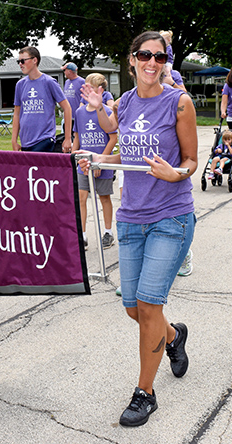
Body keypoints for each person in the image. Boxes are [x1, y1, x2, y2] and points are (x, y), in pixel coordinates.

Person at [80, 31, 197, 426]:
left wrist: (175, 172)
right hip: (131, 216)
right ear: (131, 59)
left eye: (159, 57)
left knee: (149, 305)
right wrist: (98, 158)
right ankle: (173, 337)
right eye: (144, 55)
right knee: (133, 309)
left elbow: (192, 161)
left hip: (171, 216)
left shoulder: (180, 102)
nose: (152, 62)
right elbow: (123, 151)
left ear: (165, 62)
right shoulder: (125, 103)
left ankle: (145, 393)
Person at [72, 75, 117, 251]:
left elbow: (113, 138)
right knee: (81, 197)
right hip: (83, 163)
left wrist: (102, 162)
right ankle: (82, 235)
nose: (86, 90)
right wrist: (74, 157)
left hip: (101, 162)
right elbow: (78, 136)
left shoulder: (106, 111)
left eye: (90, 87)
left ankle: (108, 232)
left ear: (100, 90)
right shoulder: (79, 112)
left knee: (104, 197)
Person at [12, 46, 72, 153]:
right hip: (25, 142)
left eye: (23, 61)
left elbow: (67, 108)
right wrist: (14, 140)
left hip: (44, 140)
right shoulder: (20, 85)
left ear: (34, 60)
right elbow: (17, 113)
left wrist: (67, 138)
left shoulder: (49, 82)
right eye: (18, 61)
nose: (20, 64)